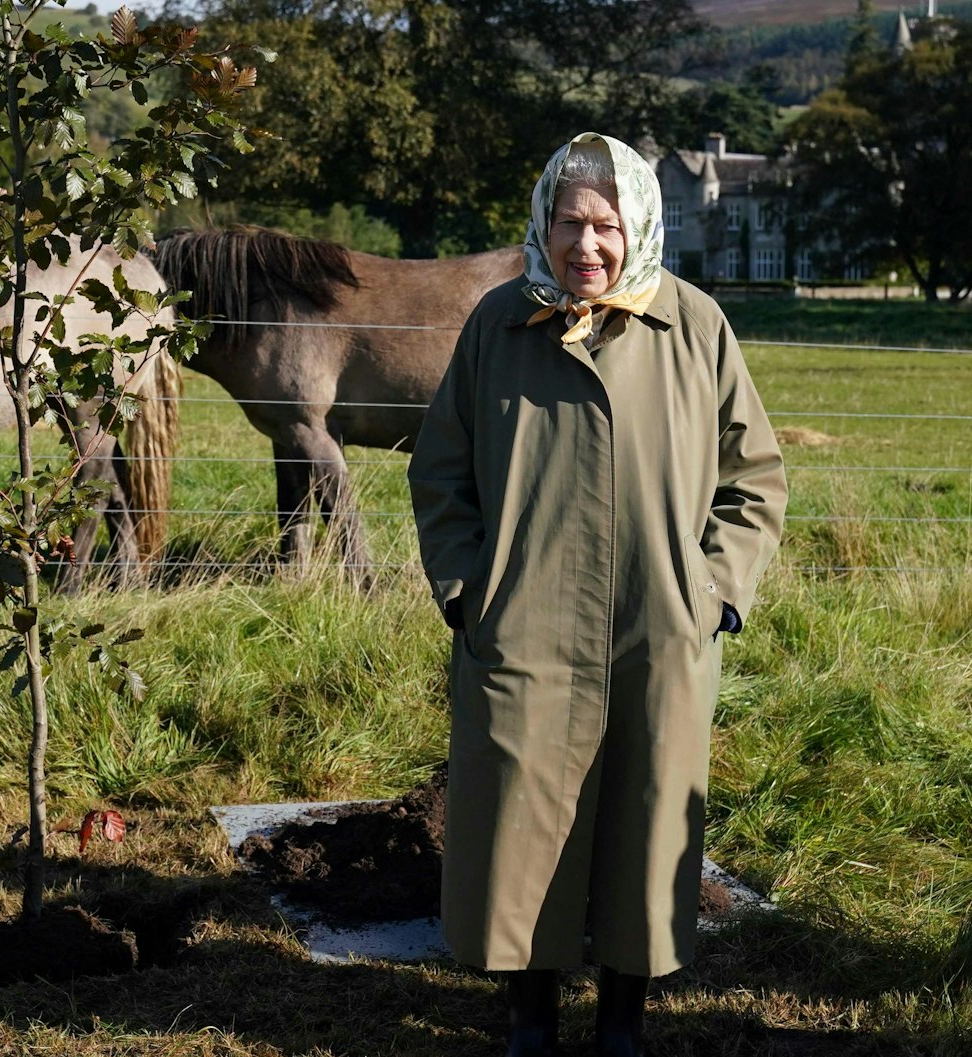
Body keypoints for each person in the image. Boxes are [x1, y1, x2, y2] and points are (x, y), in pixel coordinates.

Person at [407, 132, 786, 1057]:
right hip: (523, 625)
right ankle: (528, 1021)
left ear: (639, 227)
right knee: (518, 822)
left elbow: (756, 479)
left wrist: (714, 594)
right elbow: (441, 473)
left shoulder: (694, 325)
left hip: (660, 625)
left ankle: (623, 1022)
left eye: (607, 226)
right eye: (570, 223)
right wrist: (468, 593)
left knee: (645, 820)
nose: (587, 246)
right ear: (543, 223)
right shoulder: (498, 324)